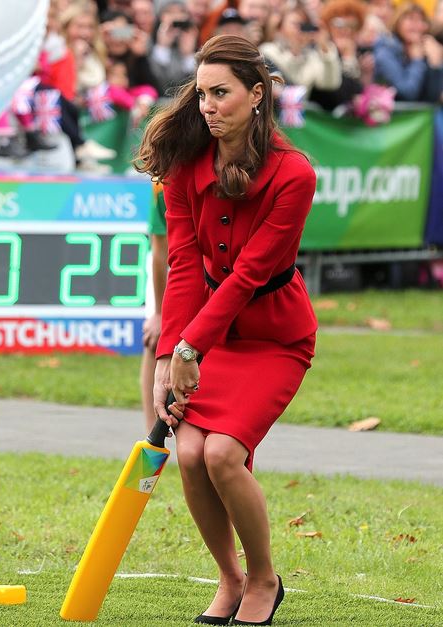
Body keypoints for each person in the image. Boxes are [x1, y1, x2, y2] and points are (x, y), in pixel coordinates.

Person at [136, 35, 317, 626]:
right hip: (209, 333)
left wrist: (192, 346)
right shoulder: (185, 163)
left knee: (221, 454)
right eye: (202, 93)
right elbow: (185, 263)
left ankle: (264, 579)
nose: (208, 106)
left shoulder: (294, 174)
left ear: (257, 94)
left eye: (221, 93)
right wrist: (169, 357)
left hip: (274, 336)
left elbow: (249, 275)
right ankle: (230, 578)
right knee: (189, 453)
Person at [374, 1, 443, 102]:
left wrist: (435, 65)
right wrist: (417, 61)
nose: (417, 25)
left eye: (421, 20)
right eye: (410, 19)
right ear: (397, 22)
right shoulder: (386, 51)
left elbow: (433, 96)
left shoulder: (425, 49)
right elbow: (407, 93)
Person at [141, 183, 168, 432]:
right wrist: (159, 314)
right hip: (173, 263)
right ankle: (151, 434)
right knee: (154, 340)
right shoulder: (162, 183)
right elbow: (160, 251)